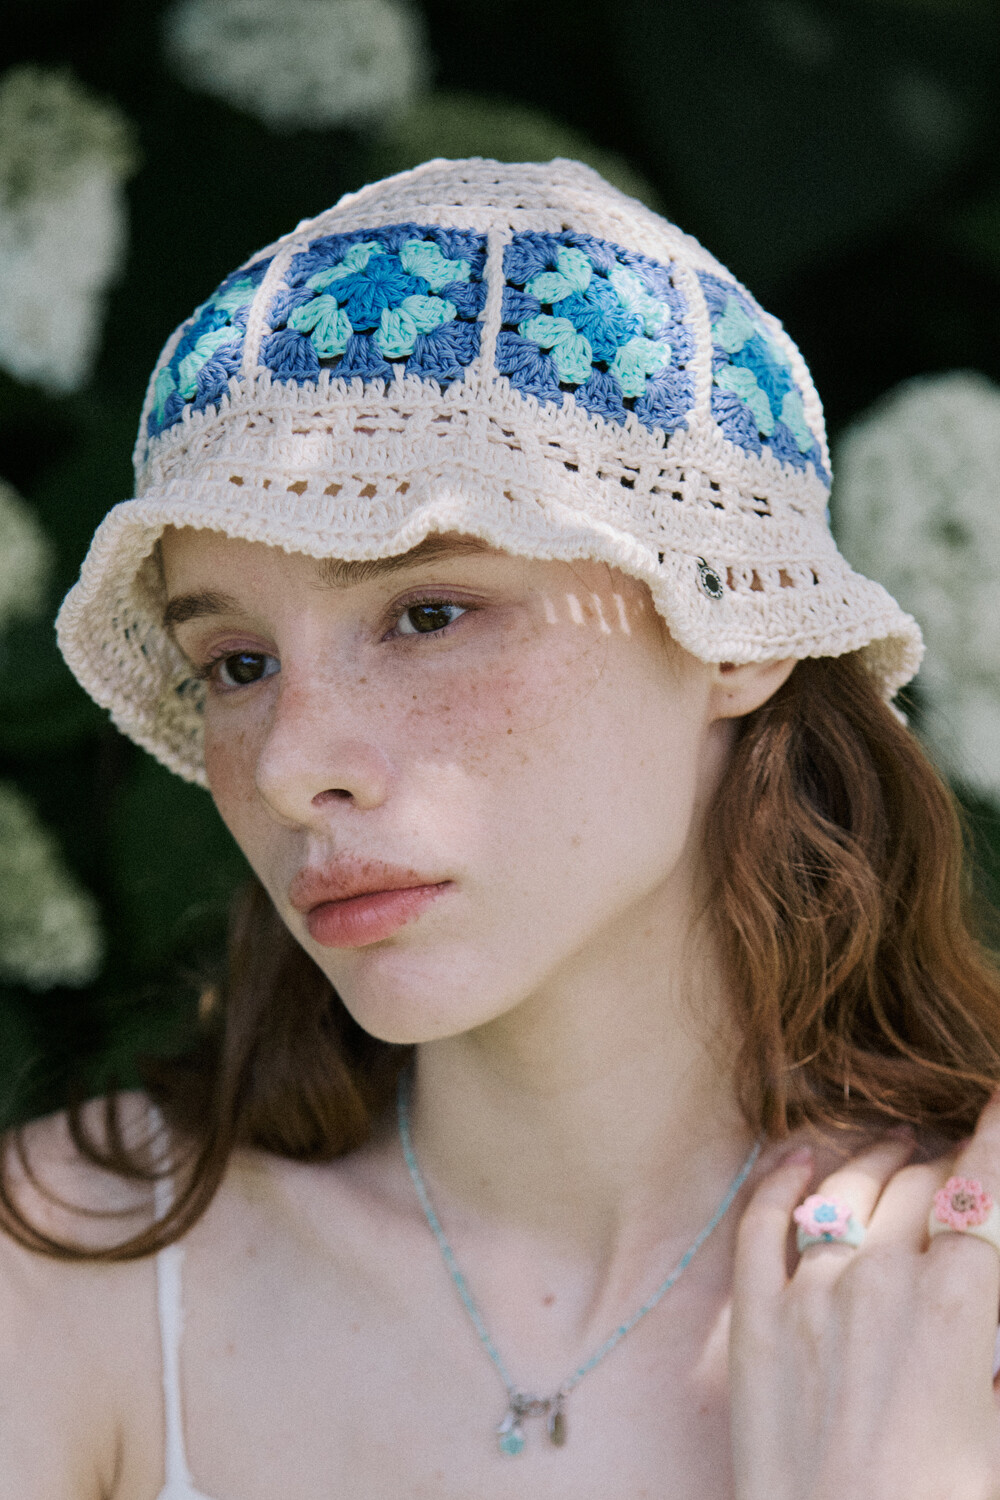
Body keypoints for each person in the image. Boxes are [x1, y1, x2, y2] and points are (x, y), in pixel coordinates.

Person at [2, 156, 1000, 1500]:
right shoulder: (72, 1269)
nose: (290, 766)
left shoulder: (959, 1306)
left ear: (735, 624)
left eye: (428, 615)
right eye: (236, 664)